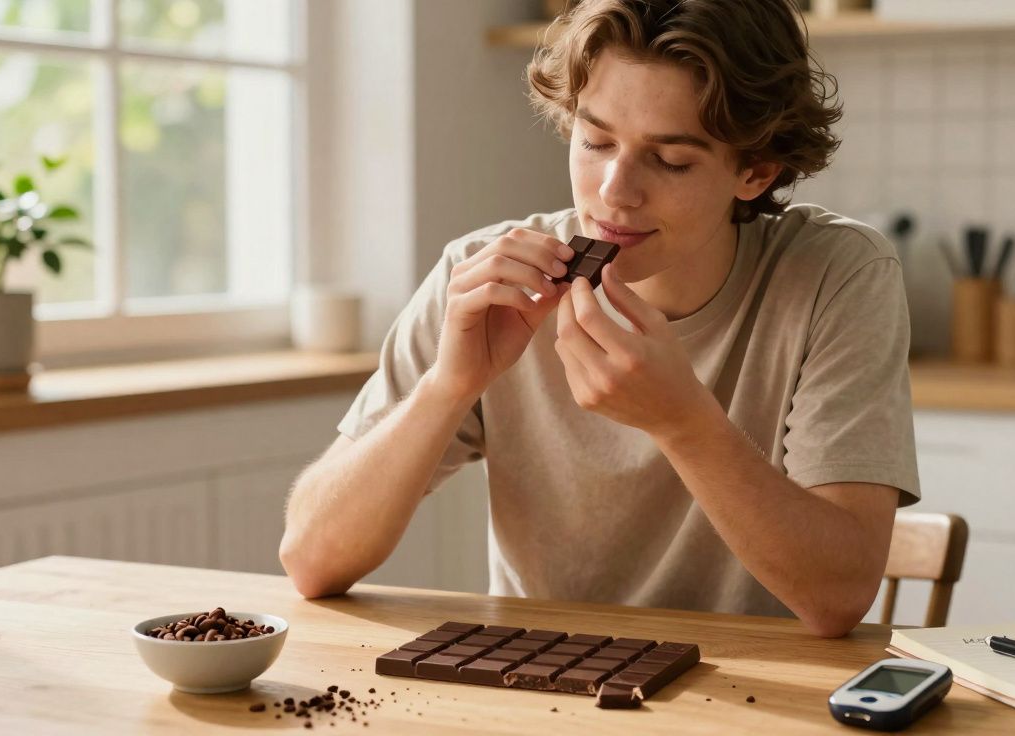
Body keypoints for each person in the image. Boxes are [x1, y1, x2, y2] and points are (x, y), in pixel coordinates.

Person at [280, 0, 919, 638]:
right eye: (596, 141)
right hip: (535, 671)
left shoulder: (836, 275)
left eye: (670, 160)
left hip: (749, 683)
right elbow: (310, 560)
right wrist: (447, 387)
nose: (615, 191)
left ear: (756, 171)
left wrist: (683, 422)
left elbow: (839, 596)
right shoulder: (483, 279)